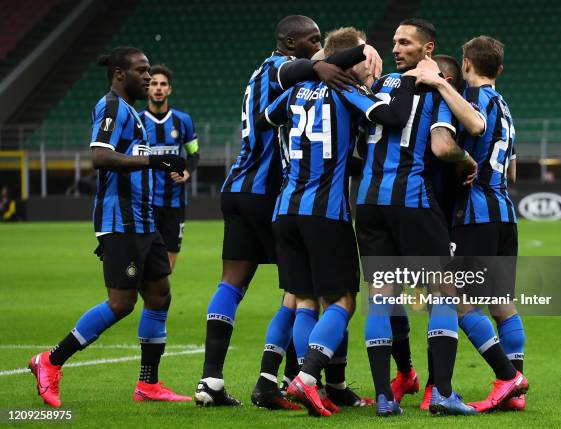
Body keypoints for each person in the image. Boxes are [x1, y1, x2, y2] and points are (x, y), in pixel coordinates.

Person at [195, 15, 382, 408]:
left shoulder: (258, 77)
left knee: (234, 284)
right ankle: (300, 379)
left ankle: (213, 379)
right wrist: (353, 55)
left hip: (241, 185)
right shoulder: (284, 70)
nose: (316, 47)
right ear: (288, 43)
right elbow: (307, 71)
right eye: (310, 40)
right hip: (274, 191)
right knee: (304, 295)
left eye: (320, 41)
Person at [259, 26, 417, 417]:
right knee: (343, 301)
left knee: (306, 301)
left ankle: (313, 386)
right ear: (358, 58)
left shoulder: (294, 91)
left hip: (284, 210)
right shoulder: (347, 92)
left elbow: (266, 118)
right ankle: (307, 378)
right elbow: (388, 116)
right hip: (324, 211)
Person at [28, 46, 190, 407]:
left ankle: (148, 384)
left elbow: (134, 158)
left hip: (144, 220)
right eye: (142, 71)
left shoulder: (131, 112)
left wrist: (159, 162)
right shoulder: (111, 107)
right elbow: (99, 156)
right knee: (121, 303)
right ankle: (51, 360)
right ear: (120, 73)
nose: (148, 77)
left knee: (160, 294)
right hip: (122, 220)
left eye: (150, 71)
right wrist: (153, 159)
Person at [357, 18, 477, 416]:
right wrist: (465, 161)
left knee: (381, 298)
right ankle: (442, 392)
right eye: (394, 42)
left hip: (369, 203)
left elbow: (360, 148)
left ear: (426, 49)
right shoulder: (435, 89)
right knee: (443, 291)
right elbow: (443, 147)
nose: (396, 48)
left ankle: (384, 399)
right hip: (411, 201)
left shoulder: (379, 87)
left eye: (405, 42)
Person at [408, 36, 528, 412]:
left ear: (467, 65)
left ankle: (507, 376)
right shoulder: (506, 107)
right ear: (500, 69)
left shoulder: (473, 101)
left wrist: (442, 86)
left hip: (475, 215)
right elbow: (512, 168)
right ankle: (515, 395)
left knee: (454, 301)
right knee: (501, 303)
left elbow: (466, 134)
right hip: (505, 211)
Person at [140, 64, 200, 270]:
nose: (158, 88)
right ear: (147, 88)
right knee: (144, 259)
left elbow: (194, 154)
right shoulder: (137, 121)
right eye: (153, 83)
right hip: (145, 203)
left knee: (169, 264)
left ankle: (157, 300)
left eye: (163, 84)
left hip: (175, 203)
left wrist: (186, 172)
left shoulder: (183, 121)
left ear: (169, 89)